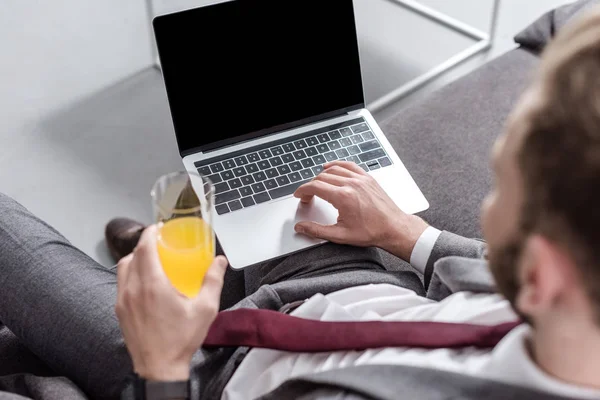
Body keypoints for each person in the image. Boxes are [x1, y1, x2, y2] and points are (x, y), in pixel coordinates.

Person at [2, 7, 600, 400]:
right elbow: (490, 269)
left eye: (500, 183)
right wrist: (403, 233)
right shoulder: (572, 304)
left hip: (209, 374)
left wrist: (161, 363)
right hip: (346, 291)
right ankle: (202, 253)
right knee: (273, 119)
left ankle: (174, 276)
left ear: (541, 275)